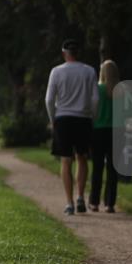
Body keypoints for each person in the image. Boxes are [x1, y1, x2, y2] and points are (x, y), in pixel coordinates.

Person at [45, 39, 99, 216]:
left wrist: (52, 118)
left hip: (63, 119)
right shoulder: (89, 71)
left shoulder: (56, 71)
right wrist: (93, 117)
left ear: (63, 53)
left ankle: (69, 203)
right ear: (78, 53)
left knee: (66, 160)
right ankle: (81, 197)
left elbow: (49, 100)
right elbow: (95, 99)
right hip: (83, 119)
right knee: (82, 158)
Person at [89, 60, 120, 213]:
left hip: (98, 131)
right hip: (116, 131)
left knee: (97, 167)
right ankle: (110, 203)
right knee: (113, 169)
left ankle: (94, 202)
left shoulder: (97, 89)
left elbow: (91, 109)